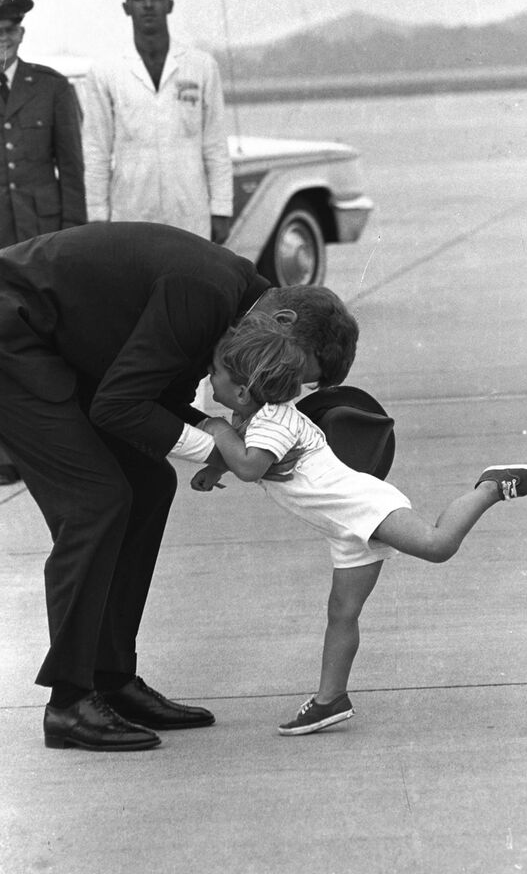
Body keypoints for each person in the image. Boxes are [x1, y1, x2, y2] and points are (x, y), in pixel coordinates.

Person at [0, 220, 358, 751]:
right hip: (13, 336)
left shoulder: (231, 313)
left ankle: (111, 678)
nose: (279, 389)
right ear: (282, 320)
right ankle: (69, 702)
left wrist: (229, 441)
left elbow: (151, 397)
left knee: (149, 484)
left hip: (58, 347)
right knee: (96, 503)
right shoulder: (204, 295)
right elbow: (119, 405)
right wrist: (221, 450)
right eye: (293, 371)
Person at [191, 312, 527, 736]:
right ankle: (330, 700)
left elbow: (251, 466)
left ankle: (491, 486)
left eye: (214, 372)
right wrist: (216, 468)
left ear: (241, 391)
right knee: (342, 612)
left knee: (437, 546)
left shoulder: (274, 421)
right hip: (343, 528)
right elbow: (249, 456)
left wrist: (214, 428)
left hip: (364, 506)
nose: (209, 378)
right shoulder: (254, 420)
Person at [0, 0, 86, 485]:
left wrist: (73, 243)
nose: (2, 39)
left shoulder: (51, 88)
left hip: (42, 241)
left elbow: (71, 171)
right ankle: (6, 454)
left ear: (21, 33)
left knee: (48, 342)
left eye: (9, 30)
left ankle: (59, 446)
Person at [83, 0, 233, 245]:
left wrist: (221, 208)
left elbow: (216, 145)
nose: (148, 4)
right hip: (131, 212)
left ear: (169, 4)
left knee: (191, 271)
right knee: (135, 271)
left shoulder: (201, 66)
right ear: (126, 7)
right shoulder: (106, 71)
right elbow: (97, 150)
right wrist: (97, 215)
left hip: (190, 212)